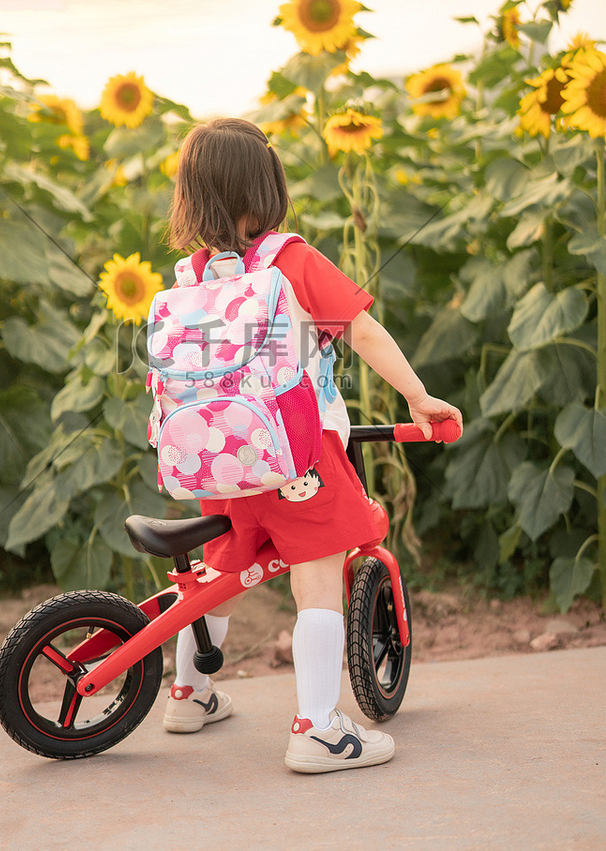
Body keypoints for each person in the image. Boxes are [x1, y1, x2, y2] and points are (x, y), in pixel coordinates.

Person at [159, 117, 463, 774]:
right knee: (320, 579)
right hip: (298, 455)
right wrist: (418, 396)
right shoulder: (290, 260)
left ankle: (189, 693)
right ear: (266, 186)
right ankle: (318, 729)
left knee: (221, 577)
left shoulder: (190, 275)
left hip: (224, 457)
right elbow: (364, 333)